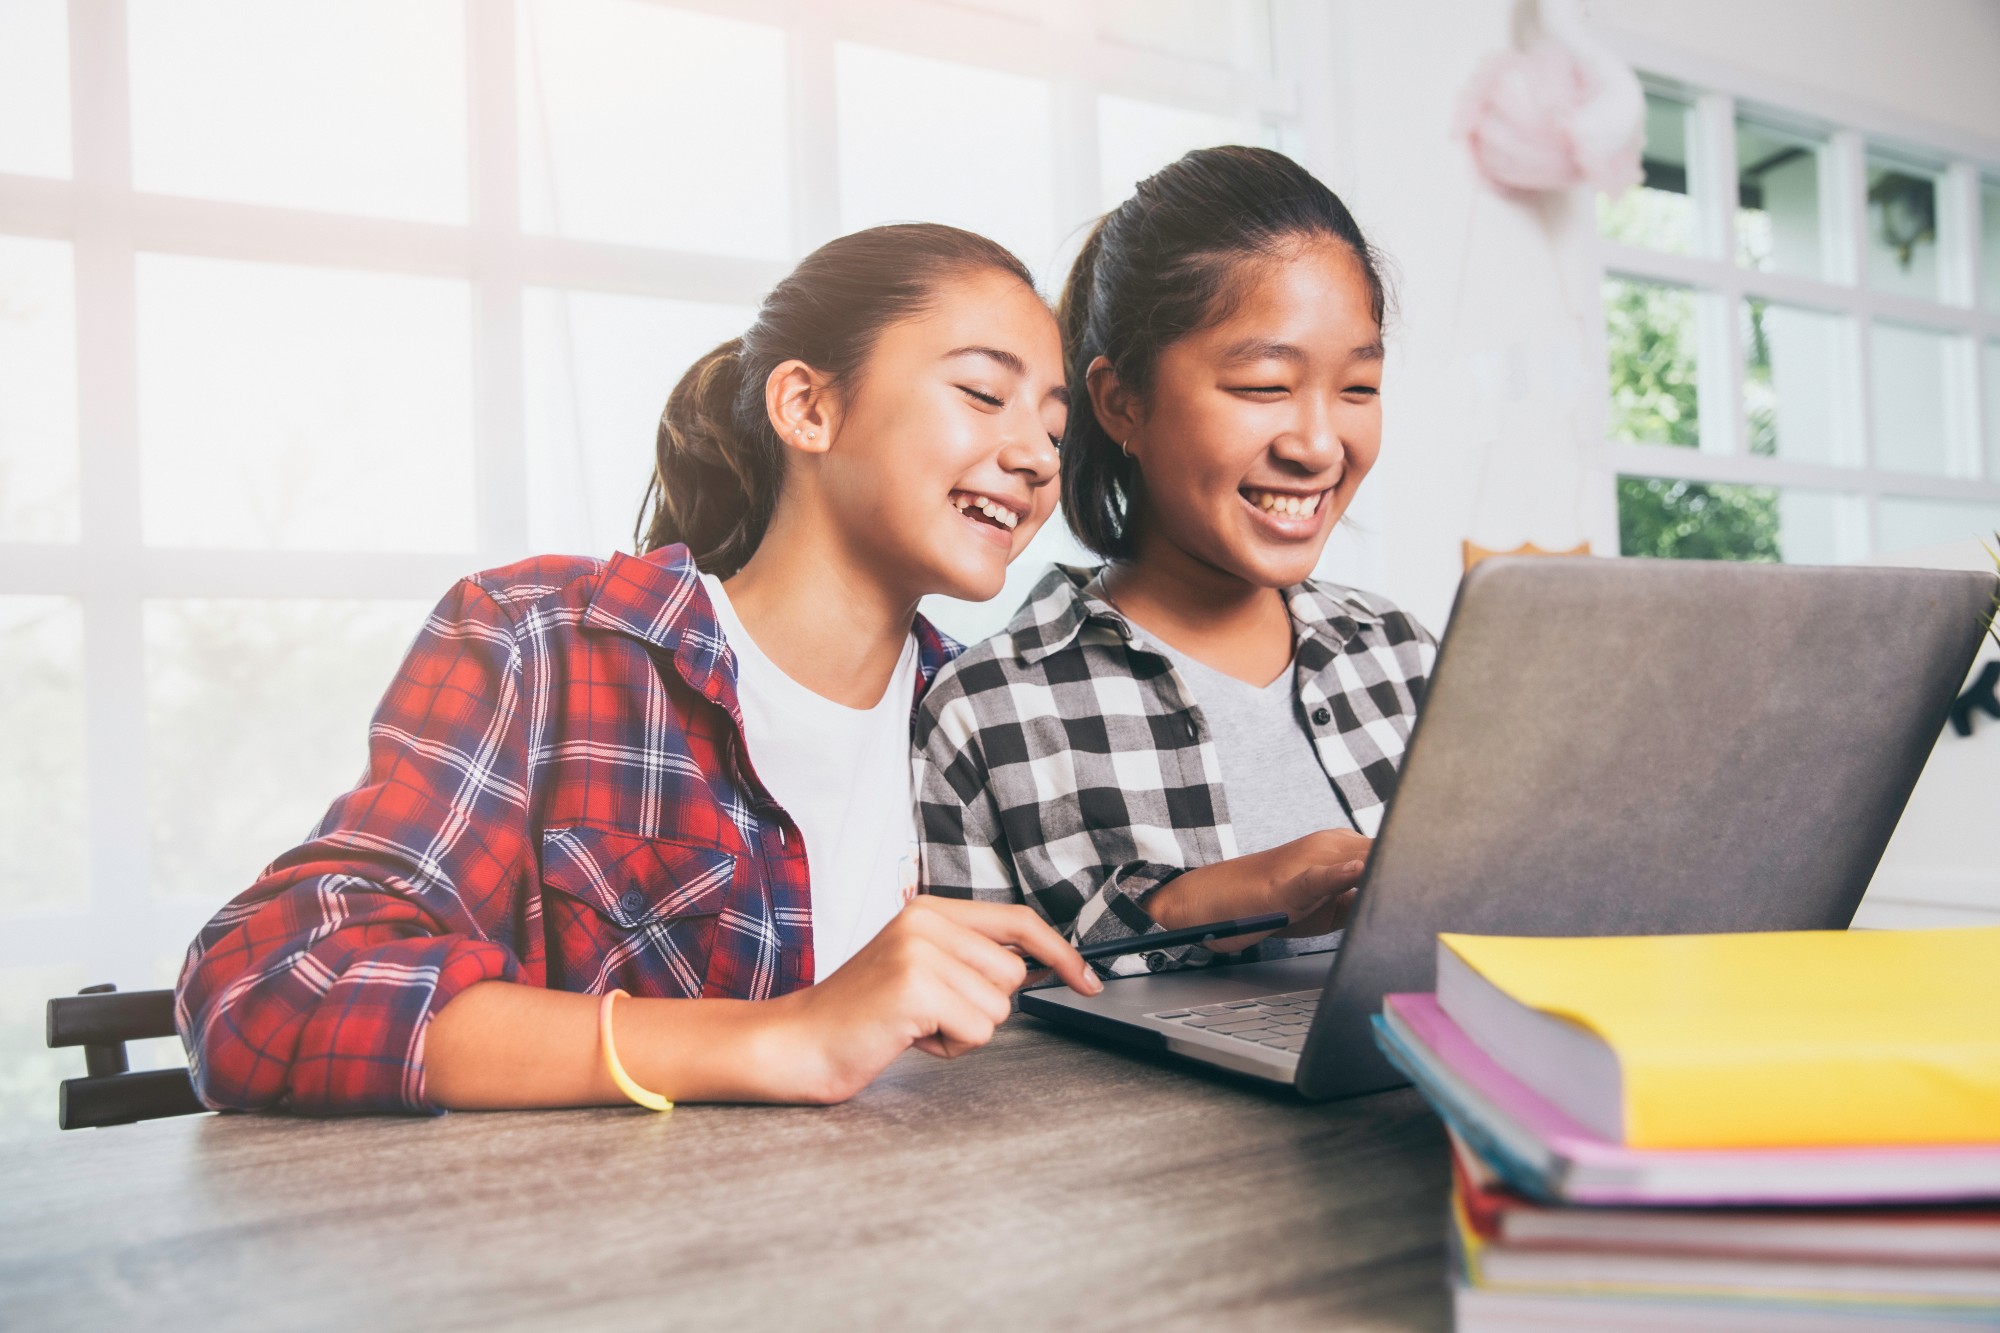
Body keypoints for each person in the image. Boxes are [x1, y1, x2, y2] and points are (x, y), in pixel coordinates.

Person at [175, 223, 1101, 1116]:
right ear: (807, 407)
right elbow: (264, 991)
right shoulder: (541, 642)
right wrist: (781, 1038)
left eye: (1057, 434)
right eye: (983, 394)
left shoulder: (986, 711)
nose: (1032, 459)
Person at [916, 147, 1435, 975]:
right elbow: (971, 1050)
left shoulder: (1405, 658)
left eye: (1359, 389)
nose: (1318, 443)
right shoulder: (988, 712)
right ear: (1124, 401)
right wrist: (1204, 901)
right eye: (1265, 385)